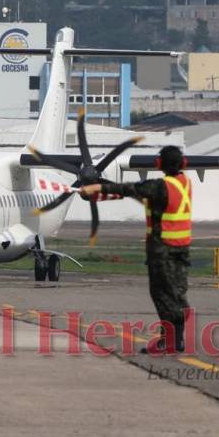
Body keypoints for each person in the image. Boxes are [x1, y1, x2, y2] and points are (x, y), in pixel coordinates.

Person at [81, 145, 192, 354]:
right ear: (183, 164)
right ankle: (176, 340)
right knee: (177, 292)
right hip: (182, 248)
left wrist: (97, 188)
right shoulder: (184, 183)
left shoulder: (161, 186)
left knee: (161, 295)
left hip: (163, 250)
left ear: (159, 164)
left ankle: (169, 338)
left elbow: (129, 189)